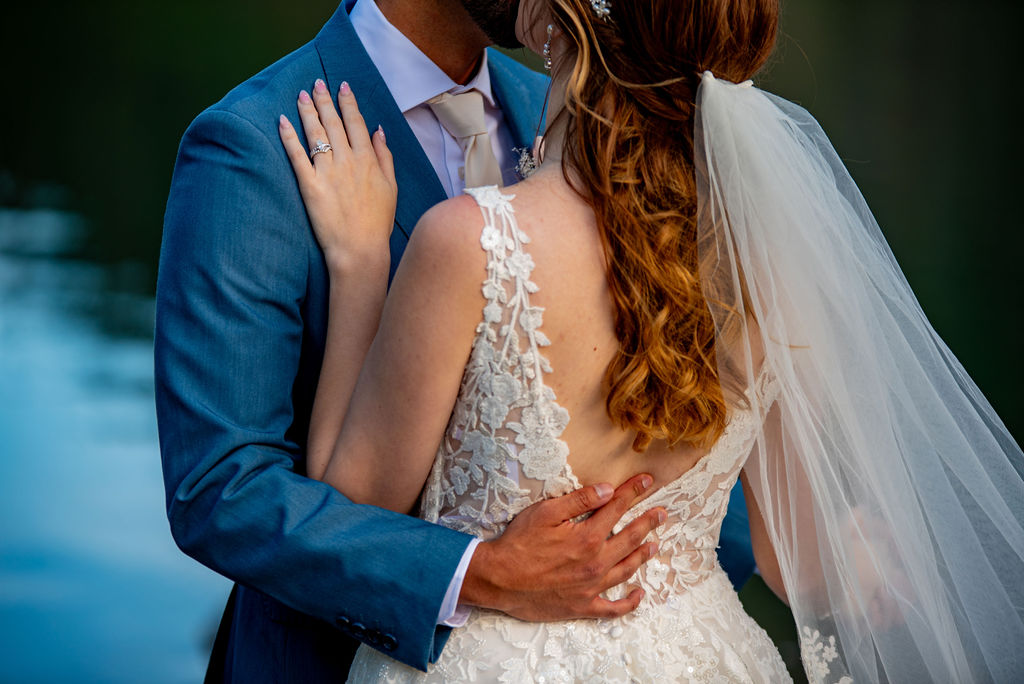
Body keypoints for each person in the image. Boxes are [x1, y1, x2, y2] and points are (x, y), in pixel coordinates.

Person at [280, 0, 1024, 681]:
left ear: (568, 19)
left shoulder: (472, 245)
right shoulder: (768, 269)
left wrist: (360, 264)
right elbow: (793, 565)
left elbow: (346, 509)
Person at [156, 0, 756, 681]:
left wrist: (662, 612)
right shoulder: (258, 140)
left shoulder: (580, 101)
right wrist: (478, 574)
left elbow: (680, 396)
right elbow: (221, 487)